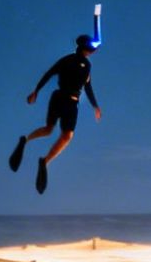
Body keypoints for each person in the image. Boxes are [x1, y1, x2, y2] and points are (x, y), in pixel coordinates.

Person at [10, 34, 101, 194]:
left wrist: (95, 106)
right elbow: (49, 73)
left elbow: (88, 87)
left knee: (66, 136)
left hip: (73, 102)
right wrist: (36, 91)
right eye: (91, 48)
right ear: (85, 48)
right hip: (60, 97)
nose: (93, 51)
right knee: (49, 129)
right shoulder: (67, 60)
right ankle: (26, 141)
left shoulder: (87, 65)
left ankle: (44, 161)